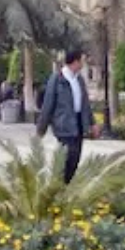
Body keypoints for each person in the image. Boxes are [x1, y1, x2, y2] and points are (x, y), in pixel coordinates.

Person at [37, 50, 94, 184]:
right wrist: (41, 129)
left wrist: (92, 123)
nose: (83, 63)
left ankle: (67, 185)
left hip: (78, 124)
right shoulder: (57, 79)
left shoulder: (79, 79)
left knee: (75, 158)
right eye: (82, 60)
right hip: (63, 125)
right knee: (67, 158)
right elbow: (48, 104)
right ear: (75, 61)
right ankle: (59, 186)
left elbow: (85, 103)